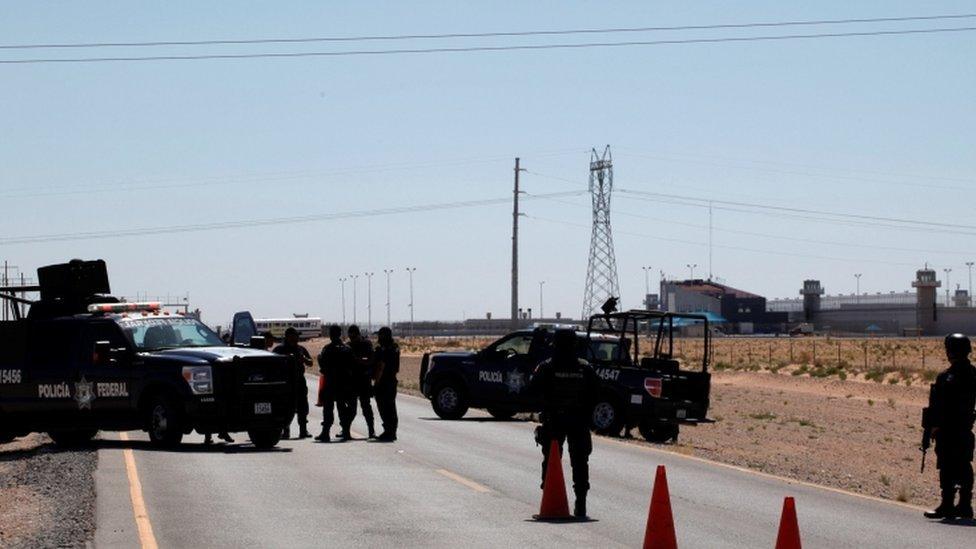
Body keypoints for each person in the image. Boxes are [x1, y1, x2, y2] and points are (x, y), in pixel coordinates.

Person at [528, 328, 600, 518]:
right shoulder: (585, 368)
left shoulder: (547, 367)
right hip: (578, 421)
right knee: (580, 462)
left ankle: (550, 501)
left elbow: (532, 390)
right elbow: (597, 393)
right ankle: (581, 505)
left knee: (552, 461)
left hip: (555, 421)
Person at [924, 333, 976, 520]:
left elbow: (937, 406)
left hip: (948, 430)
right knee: (964, 465)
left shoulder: (945, 377)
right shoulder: (973, 375)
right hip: (964, 430)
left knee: (947, 466)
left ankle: (947, 505)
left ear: (951, 351)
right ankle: (964, 505)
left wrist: (933, 427)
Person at [316, 325, 356, 442]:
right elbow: (352, 366)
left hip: (330, 383)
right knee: (342, 408)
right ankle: (346, 431)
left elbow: (322, 366)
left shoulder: (327, 349)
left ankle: (326, 433)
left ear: (330, 335)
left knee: (328, 409)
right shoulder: (347, 349)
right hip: (343, 384)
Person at [273, 327, 313, 439]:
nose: (296, 338)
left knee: (303, 407)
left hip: (299, 380)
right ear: (288, 336)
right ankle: (286, 430)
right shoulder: (279, 349)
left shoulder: (300, 349)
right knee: (286, 406)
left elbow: (310, 363)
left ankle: (303, 430)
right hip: (286, 382)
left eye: (297, 336)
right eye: (294, 335)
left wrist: (303, 359)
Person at [347, 325, 377, 439]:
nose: (352, 339)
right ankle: (345, 430)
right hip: (352, 381)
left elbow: (370, 360)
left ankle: (371, 430)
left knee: (366, 407)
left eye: (354, 337)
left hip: (364, 380)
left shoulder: (366, 344)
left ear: (358, 335)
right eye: (351, 337)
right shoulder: (349, 346)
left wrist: (360, 361)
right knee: (351, 409)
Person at [372, 327, 400, 442]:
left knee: (384, 407)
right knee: (391, 407)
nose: (378, 338)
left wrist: (376, 383)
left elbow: (381, 367)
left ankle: (389, 431)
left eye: (380, 335)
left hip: (384, 382)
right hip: (391, 380)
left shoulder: (384, 349)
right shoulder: (395, 347)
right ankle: (391, 431)